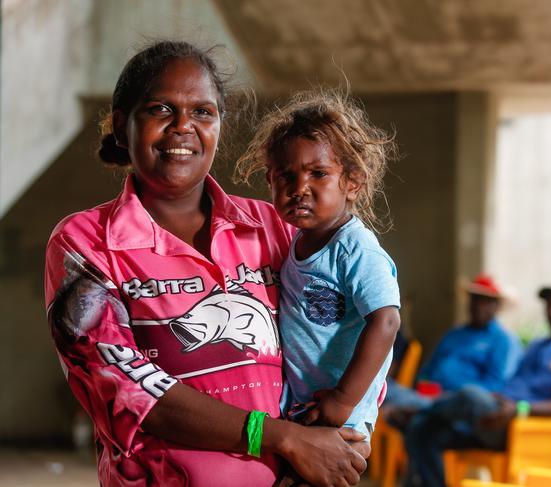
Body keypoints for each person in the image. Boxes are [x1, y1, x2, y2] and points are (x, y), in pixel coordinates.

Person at [44, 41, 367, 487]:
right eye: (161, 109)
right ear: (122, 126)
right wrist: (281, 438)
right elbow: (128, 390)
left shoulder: (273, 226)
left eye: (203, 112)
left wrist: (353, 422)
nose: (183, 127)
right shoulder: (86, 242)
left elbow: (349, 325)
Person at [234, 90, 401, 443]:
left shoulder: (355, 247)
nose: (299, 189)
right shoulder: (295, 241)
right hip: (304, 408)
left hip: (340, 415)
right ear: (270, 181)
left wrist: (343, 401)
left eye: (318, 174)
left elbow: (386, 321)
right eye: (286, 176)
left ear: (352, 182)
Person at [404, 283, 551, 487]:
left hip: (526, 429)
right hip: (498, 417)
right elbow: (511, 385)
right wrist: (500, 398)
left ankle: (419, 408)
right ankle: (421, 415)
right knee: (422, 429)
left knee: (471, 394)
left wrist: (519, 410)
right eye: (549, 306)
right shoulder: (538, 345)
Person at [382, 274, 521, 421]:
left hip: (461, 402)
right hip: (429, 398)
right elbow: (426, 372)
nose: (478, 305)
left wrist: (450, 395)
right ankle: (424, 409)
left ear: (497, 306)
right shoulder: (454, 334)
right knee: (384, 387)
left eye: (486, 301)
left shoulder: (503, 340)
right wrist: (426, 388)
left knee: (470, 396)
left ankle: (421, 410)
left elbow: (495, 387)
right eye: (475, 299)